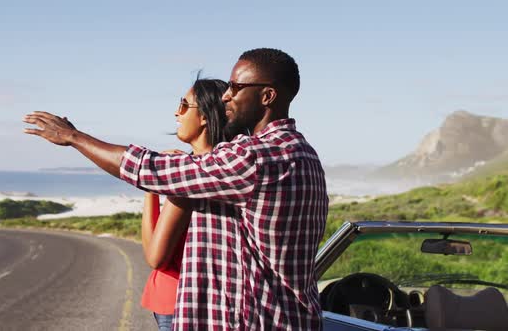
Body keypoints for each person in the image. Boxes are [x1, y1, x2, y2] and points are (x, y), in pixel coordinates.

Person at [23, 48, 328, 330]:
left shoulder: (255, 158)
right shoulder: (302, 153)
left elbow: (147, 168)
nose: (226, 97)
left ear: (267, 96)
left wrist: (74, 137)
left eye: (236, 88)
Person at [140, 78, 229, 331]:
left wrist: (152, 188)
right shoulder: (227, 167)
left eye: (184, 105)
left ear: (204, 116)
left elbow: (155, 256)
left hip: (176, 300)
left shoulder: (192, 175)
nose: (176, 112)